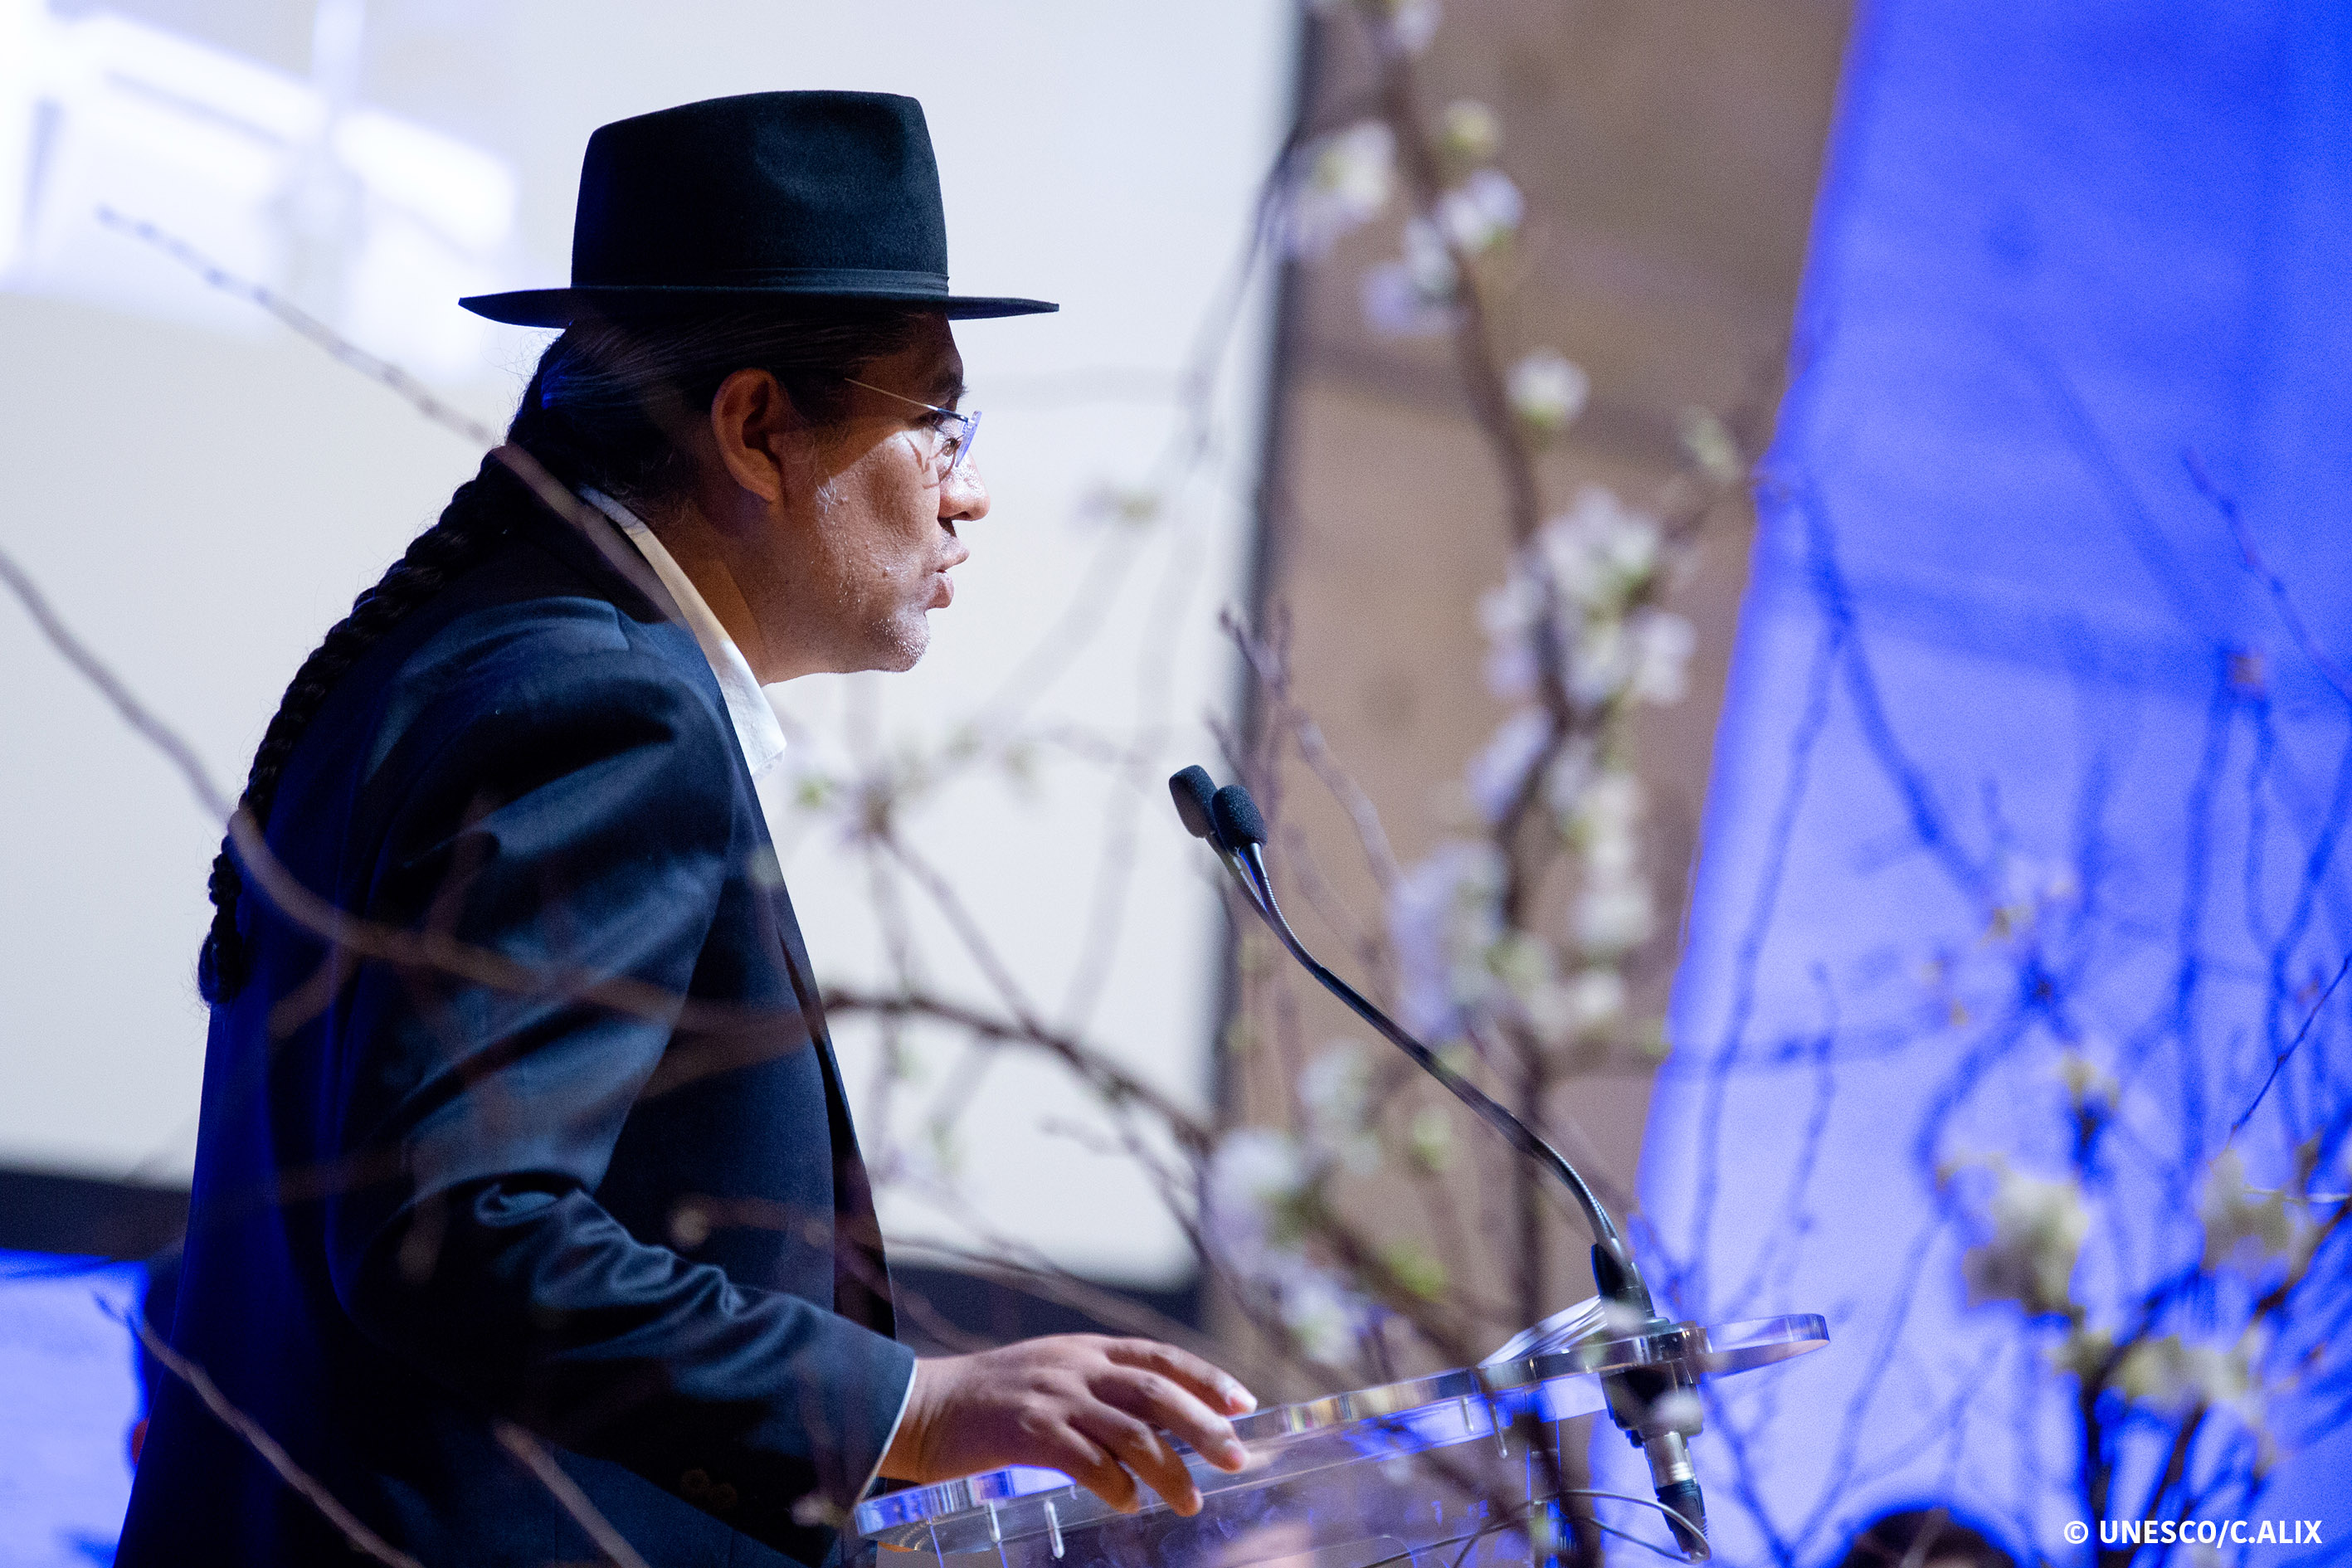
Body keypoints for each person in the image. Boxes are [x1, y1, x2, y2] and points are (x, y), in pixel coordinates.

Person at [117, 91, 1254, 1568]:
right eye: (938, 421)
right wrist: (908, 1406)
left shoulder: (479, 655)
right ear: (758, 428)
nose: (970, 493)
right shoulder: (601, 704)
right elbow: (458, 1227)